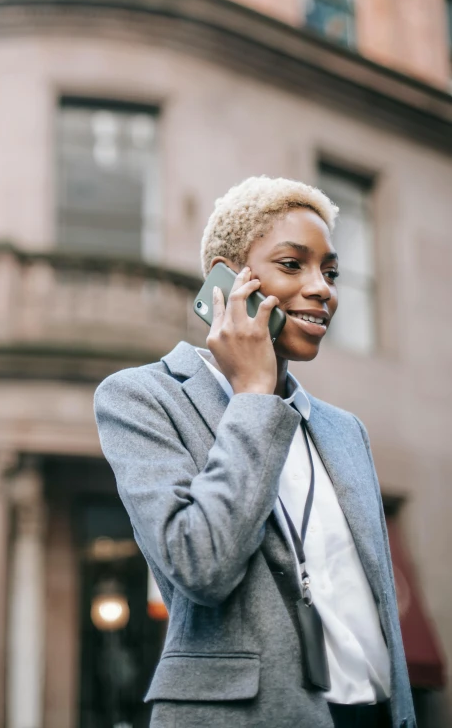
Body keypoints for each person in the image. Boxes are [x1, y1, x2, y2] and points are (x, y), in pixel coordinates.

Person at [94, 177, 416, 728]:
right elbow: (201, 566)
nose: (323, 289)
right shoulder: (139, 397)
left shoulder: (345, 431)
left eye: (331, 272)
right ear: (228, 278)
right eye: (293, 265)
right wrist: (252, 396)